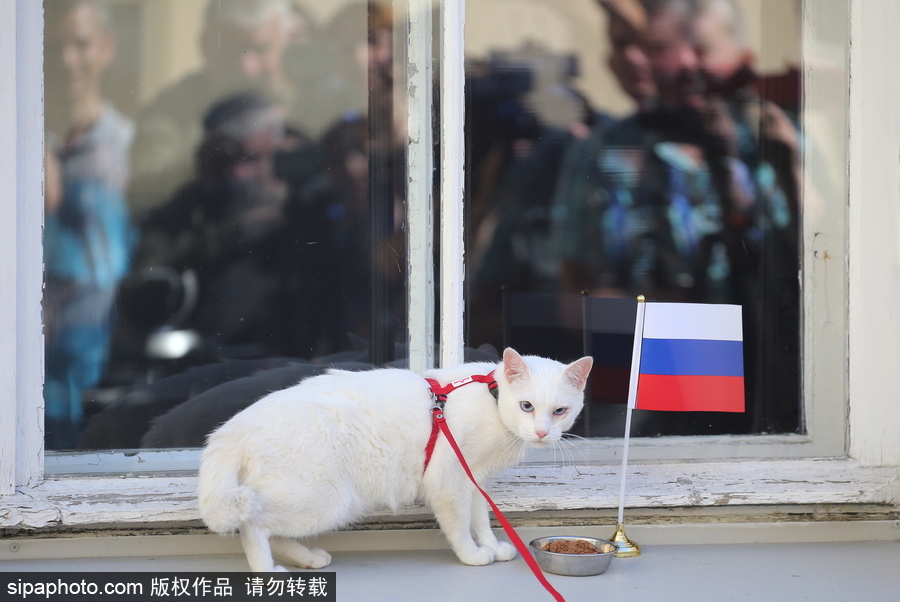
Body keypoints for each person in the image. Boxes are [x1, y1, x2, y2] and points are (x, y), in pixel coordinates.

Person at [552, 0, 800, 434]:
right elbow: (575, 294)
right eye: (619, 45)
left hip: (779, 374)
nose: (631, 60)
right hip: (656, 379)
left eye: (653, 45)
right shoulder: (605, 149)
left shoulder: (766, 138)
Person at [43, 0, 135, 449]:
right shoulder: (19, 144)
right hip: (28, 392)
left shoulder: (129, 149)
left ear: (107, 48)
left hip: (107, 390)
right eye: (55, 45)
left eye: (80, 43)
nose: (67, 60)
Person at [127, 0, 299, 219]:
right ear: (205, 45)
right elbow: (144, 189)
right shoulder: (170, 113)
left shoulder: (309, 106)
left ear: (286, 42)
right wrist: (215, 156)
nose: (246, 67)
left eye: (260, 48)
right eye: (231, 50)